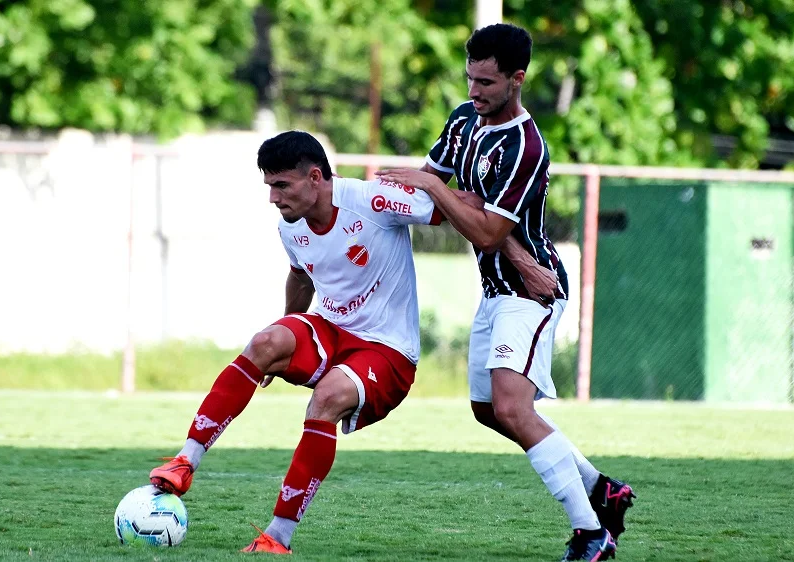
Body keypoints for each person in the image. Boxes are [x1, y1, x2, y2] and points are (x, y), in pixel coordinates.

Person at [377, 23, 635, 561]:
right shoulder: (463, 120)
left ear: (517, 79)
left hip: (533, 291)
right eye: (470, 78)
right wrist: (439, 194)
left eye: (487, 82)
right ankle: (601, 489)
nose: (474, 91)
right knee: (487, 409)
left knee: (513, 408)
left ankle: (592, 534)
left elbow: (484, 226)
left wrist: (438, 190)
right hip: (498, 287)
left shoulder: (525, 145)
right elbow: (444, 200)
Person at [147, 130, 445, 554]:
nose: (273, 198)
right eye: (269, 186)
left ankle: (277, 537)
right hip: (332, 331)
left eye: (281, 185)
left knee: (326, 398)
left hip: (388, 350)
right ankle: (185, 461)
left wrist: (441, 188)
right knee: (264, 341)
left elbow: (453, 212)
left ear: (316, 178)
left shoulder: (372, 200)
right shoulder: (291, 228)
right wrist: (285, 339)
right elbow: (301, 276)